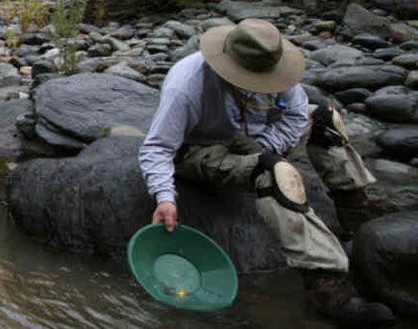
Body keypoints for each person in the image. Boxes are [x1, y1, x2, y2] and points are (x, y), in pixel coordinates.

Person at [138, 19, 395, 325]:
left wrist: (263, 145)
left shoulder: (275, 67)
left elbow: (298, 115)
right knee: (276, 173)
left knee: (326, 118)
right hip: (200, 151)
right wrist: (165, 198)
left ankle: (355, 213)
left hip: (253, 142)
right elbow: (157, 148)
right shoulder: (186, 85)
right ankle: (326, 281)